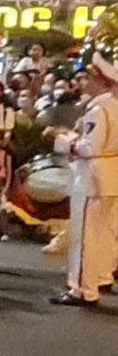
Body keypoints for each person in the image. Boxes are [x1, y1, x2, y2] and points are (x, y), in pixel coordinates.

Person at [48, 54, 118, 307]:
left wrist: (62, 139)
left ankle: (82, 289)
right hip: (111, 175)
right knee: (103, 234)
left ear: (101, 81)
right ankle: (99, 278)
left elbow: (88, 147)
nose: (85, 82)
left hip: (93, 176)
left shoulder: (99, 110)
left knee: (85, 235)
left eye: (89, 78)